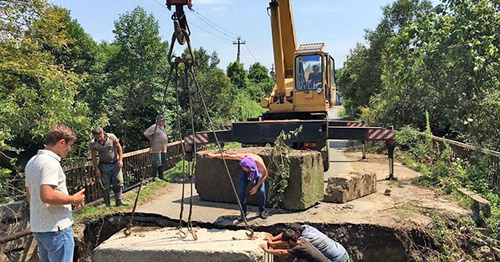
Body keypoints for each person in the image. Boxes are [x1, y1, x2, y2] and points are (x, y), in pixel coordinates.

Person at [25, 124, 86, 262]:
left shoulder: (32, 162)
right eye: (69, 145)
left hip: (40, 229)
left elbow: (30, 196)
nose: (69, 149)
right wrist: (73, 199)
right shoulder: (50, 163)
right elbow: (47, 195)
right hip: (57, 229)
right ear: (61, 142)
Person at [203, 152, 268, 219]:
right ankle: (243, 212)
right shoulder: (242, 157)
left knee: (262, 191)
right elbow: (228, 156)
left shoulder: (259, 164)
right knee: (241, 190)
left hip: (257, 172)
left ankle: (262, 210)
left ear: (249, 167)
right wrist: (214, 155)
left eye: (246, 169)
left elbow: (265, 175)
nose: (244, 169)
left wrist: (256, 187)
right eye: (243, 168)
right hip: (247, 171)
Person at [266, 223, 350, 262]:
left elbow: (285, 247)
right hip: (341, 251)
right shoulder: (306, 228)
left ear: (298, 233)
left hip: (338, 258)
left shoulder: (307, 239)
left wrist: (271, 244)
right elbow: (288, 234)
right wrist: (273, 238)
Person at [90, 127, 125, 207]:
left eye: (100, 136)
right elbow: (93, 156)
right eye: (97, 137)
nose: (99, 138)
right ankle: (107, 204)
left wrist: (120, 160)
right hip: (104, 165)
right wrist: (96, 168)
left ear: (103, 133)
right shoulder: (93, 143)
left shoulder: (112, 137)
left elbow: (119, 147)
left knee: (118, 182)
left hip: (115, 163)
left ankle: (119, 201)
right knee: (106, 185)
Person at [260, 229, 330, 262]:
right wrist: (272, 240)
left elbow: (282, 252)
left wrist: (266, 250)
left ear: (289, 241)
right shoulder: (302, 240)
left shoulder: (299, 248)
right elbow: (285, 234)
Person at [144, 115, 169, 180]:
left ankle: (161, 176)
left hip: (163, 147)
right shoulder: (154, 127)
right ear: (158, 121)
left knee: (162, 161)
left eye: (164, 120)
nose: (163, 121)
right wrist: (151, 139)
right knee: (156, 162)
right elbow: (146, 133)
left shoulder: (163, 127)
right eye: (162, 120)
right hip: (156, 147)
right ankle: (154, 177)